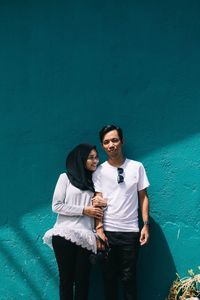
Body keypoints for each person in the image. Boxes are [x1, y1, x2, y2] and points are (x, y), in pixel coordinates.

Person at [92, 125, 150, 300]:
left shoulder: (137, 167)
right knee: (108, 280)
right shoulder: (99, 171)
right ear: (103, 146)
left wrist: (145, 225)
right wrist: (99, 229)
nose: (111, 145)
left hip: (131, 232)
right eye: (106, 142)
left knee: (129, 280)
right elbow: (97, 202)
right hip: (108, 232)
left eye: (114, 140)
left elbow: (143, 197)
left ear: (122, 141)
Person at [43, 143, 106, 300]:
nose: (96, 161)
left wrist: (100, 220)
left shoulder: (96, 182)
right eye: (91, 157)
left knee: (83, 281)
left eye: (96, 157)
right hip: (65, 234)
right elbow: (56, 206)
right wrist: (84, 210)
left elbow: (100, 209)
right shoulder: (65, 178)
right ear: (80, 158)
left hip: (86, 237)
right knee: (66, 280)